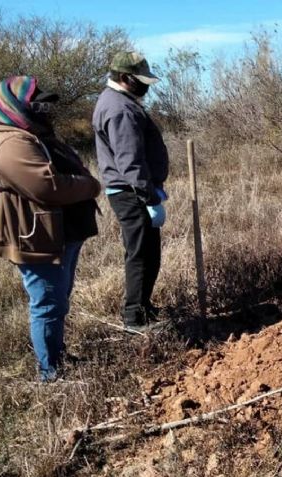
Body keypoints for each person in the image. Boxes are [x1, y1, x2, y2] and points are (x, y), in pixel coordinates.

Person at [0, 76, 101, 382]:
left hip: (55, 233)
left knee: (58, 299)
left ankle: (58, 357)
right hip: (33, 236)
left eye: (46, 105)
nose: (45, 111)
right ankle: (50, 373)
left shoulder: (30, 133)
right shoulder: (7, 142)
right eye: (38, 104)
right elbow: (47, 187)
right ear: (13, 105)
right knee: (47, 303)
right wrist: (90, 185)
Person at [93, 51, 169, 330]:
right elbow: (130, 160)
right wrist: (149, 197)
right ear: (125, 78)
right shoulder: (119, 109)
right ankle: (134, 320)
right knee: (140, 255)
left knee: (149, 253)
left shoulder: (120, 101)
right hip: (131, 193)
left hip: (134, 190)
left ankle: (144, 308)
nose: (146, 86)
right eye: (141, 80)